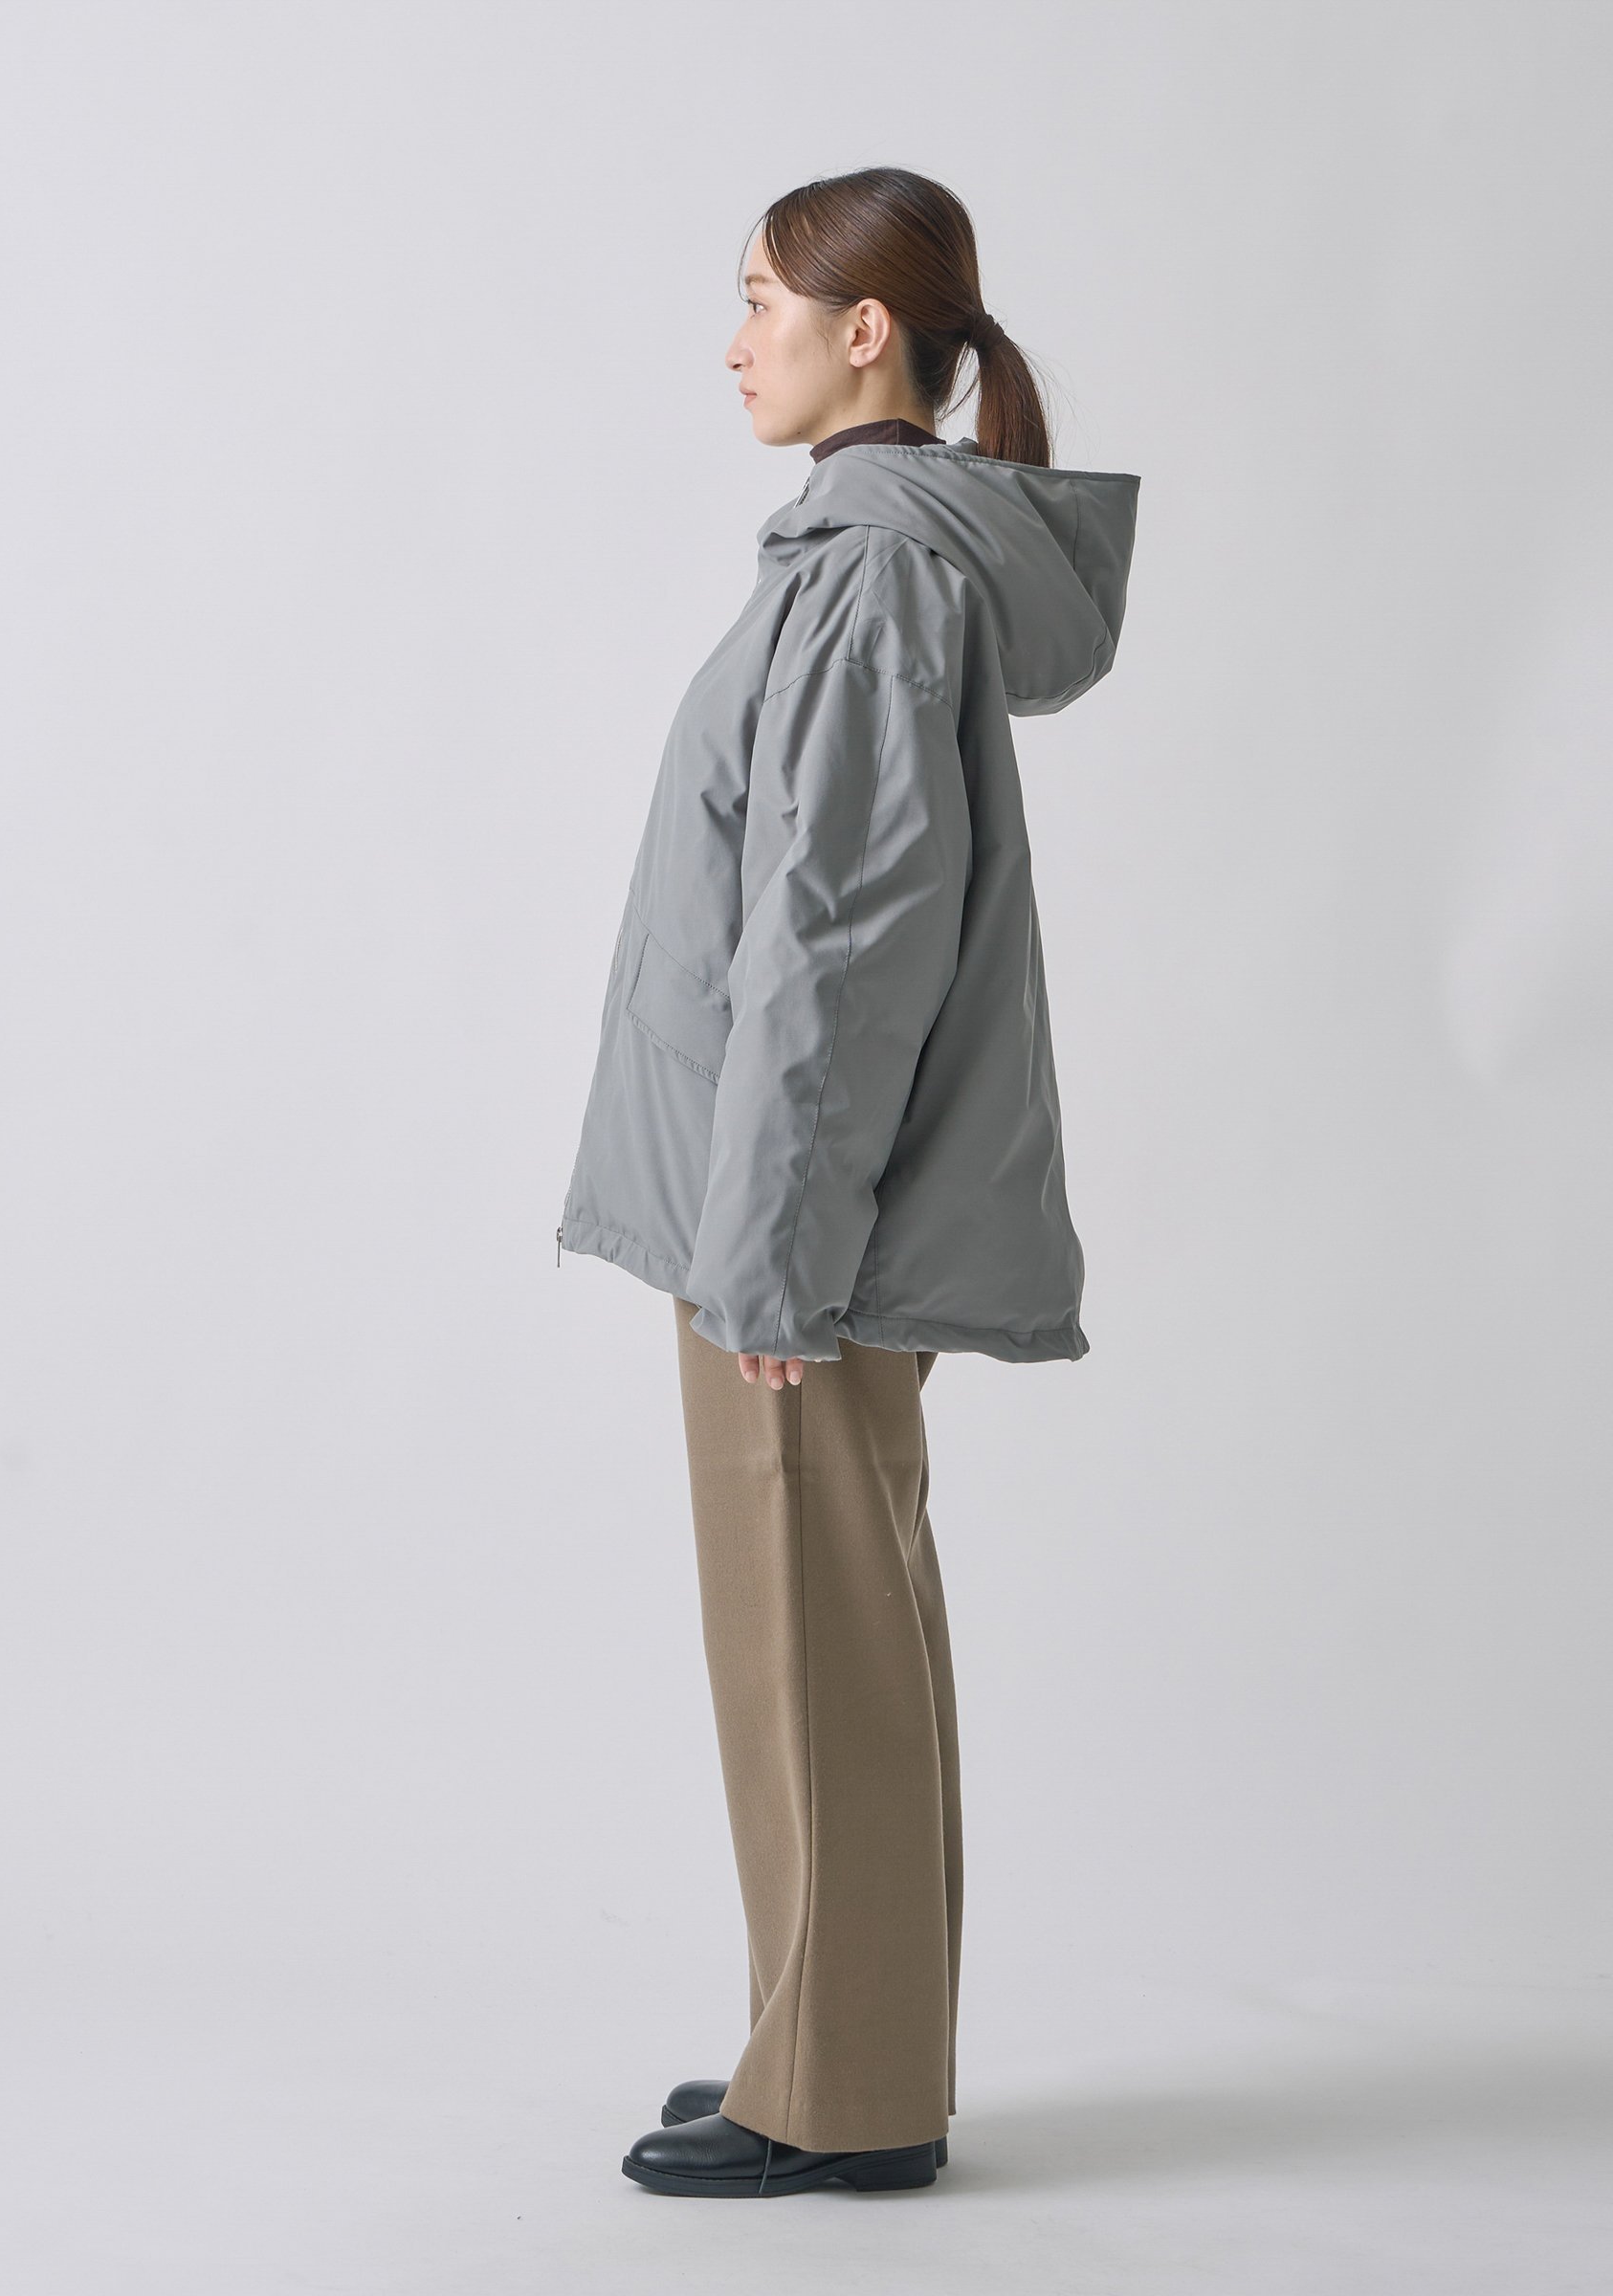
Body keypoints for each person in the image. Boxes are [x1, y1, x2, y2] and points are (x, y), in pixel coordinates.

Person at [556, 166, 1140, 2198]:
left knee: (820, 1649)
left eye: (758, 302)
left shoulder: (875, 572)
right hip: (784, 1213)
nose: (734, 344)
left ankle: (849, 2095)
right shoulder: (864, 553)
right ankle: (821, 2040)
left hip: (795, 1233)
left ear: (862, 328)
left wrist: (774, 1263)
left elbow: (843, 943)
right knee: (824, 1642)